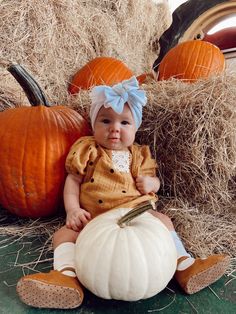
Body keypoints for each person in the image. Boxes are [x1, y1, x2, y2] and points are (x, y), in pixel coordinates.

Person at [16, 76, 230, 309]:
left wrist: (151, 184)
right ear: (94, 124)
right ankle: (66, 277)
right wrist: (73, 209)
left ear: (135, 127)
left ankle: (185, 265)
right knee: (63, 236)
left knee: (163, 220)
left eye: (124, 123)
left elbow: (155, 182)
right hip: (96, 218)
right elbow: (73, 181)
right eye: (106, 121)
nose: (114, 129)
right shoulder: (87, 149)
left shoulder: (139, 154)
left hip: (136, 213)